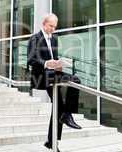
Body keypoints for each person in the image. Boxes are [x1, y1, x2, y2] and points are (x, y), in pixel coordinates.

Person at [27, 13, 82, 151]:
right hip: (41, 75)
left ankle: (66, 117)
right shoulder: (34, 39)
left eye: (55, 27)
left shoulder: (54, 39)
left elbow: (54, 57)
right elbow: (31, 60)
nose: (53, 29)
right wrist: (47, 63)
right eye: (51, 26)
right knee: (59, 106)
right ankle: (65, 117)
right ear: (44, 24)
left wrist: (58, 63)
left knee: (75, 80)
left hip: (53, 73)